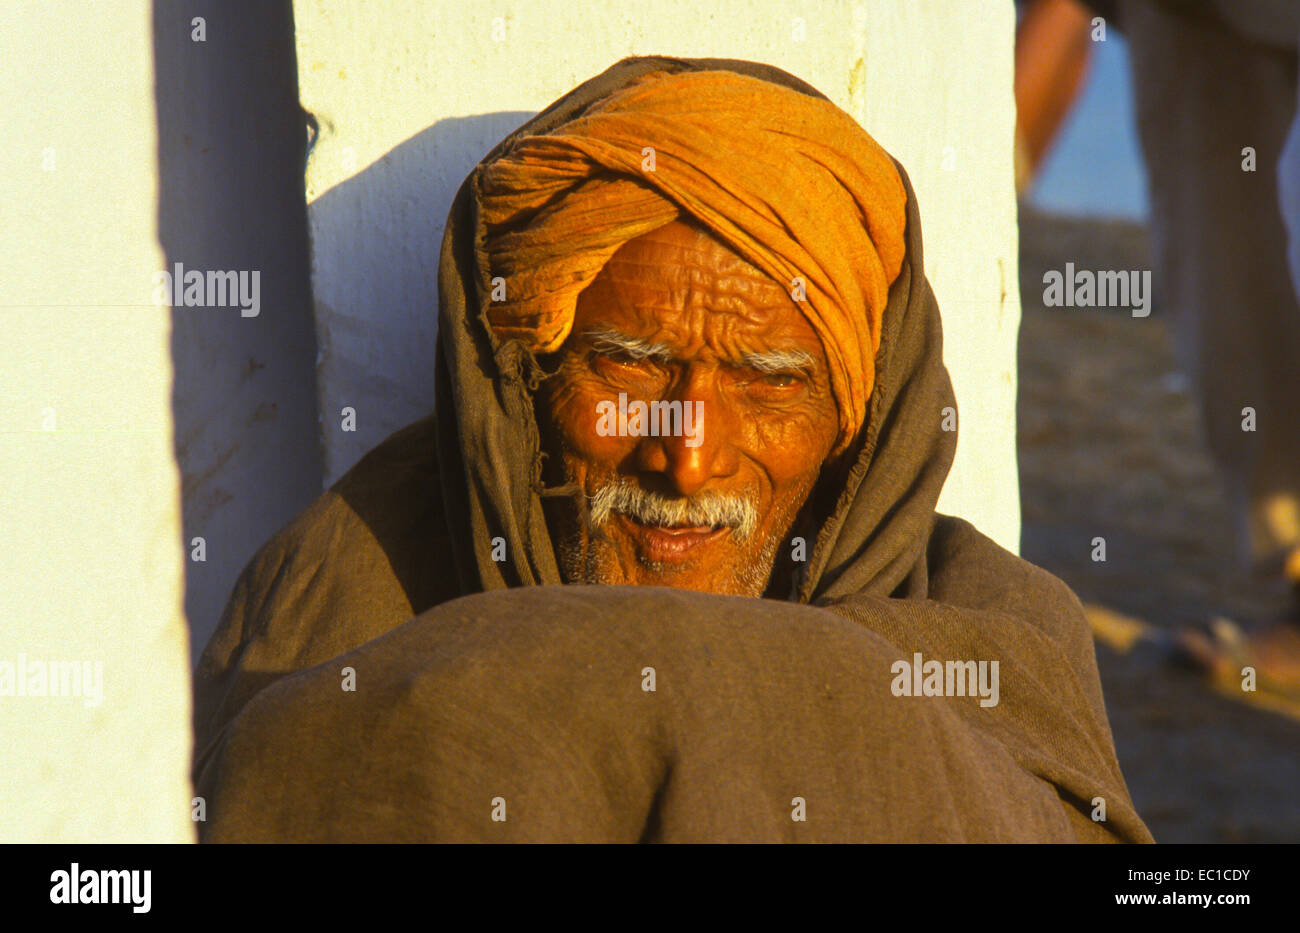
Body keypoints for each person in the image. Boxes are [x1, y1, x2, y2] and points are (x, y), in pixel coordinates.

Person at [192, 57, 1152, 843]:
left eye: (769, 383)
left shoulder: (994, 632)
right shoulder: (349, 588)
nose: (686, 460)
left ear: (858, 426)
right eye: (629, 369)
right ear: (525, 384)